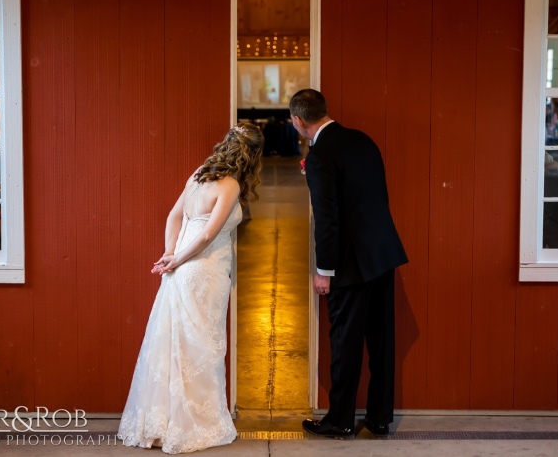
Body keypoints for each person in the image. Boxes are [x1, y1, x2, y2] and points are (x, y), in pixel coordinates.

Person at [118, 123, 264, 454]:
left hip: (183, 268)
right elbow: (208, 235)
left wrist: (171, 255)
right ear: (253, 155)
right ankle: (197, 424)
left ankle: (162, 423)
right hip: (204, 271)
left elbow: (173, 216)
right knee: (202, 348)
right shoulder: (229, 185)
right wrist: (176, 259)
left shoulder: (199, 174)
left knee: (174, 347)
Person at [289, 89, 407, 439]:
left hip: (349, 263)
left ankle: (340, 420)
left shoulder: (320, 155)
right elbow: (368, 197)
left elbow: (328, 219)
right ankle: (379, 418)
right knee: (381, 341)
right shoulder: (362, 140)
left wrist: (324, 270)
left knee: (345, 343)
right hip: (383, 253)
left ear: (298, 121)